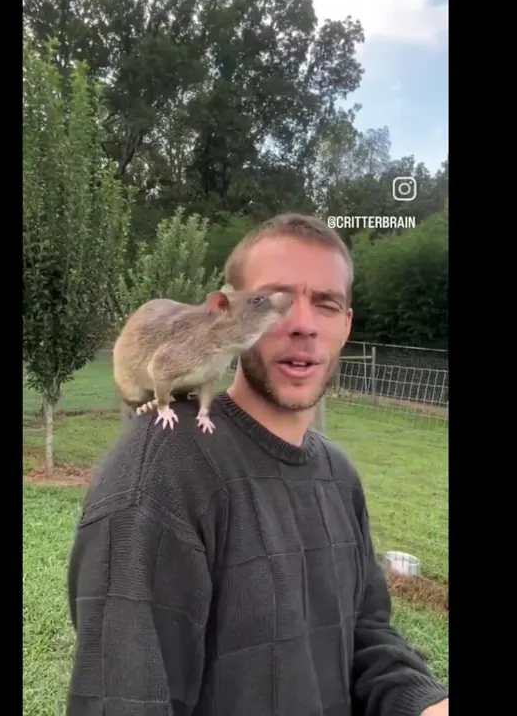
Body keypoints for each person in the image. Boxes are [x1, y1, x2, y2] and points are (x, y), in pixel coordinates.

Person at [65, 213, 449, 715]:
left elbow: (365, 635)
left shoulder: (339, 475)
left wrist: (425, 704)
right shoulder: (160, 474)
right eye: (275, 299)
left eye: (326, 304)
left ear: (346, 325)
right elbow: (125, 698)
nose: (303, 324)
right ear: (225, 309)